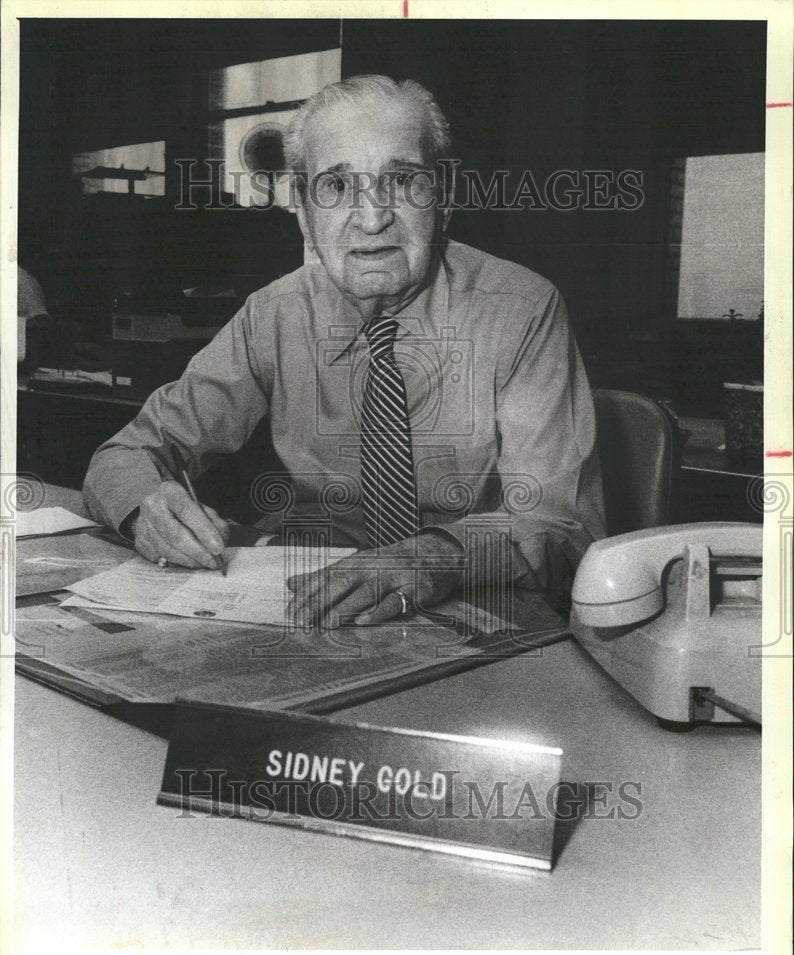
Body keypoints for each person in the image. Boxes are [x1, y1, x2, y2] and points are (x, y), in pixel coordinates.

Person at [83, 74, 605, 628]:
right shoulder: (275, 313)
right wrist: (148, 509)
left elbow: (560, 522)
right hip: (305, 608)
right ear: (305, 213)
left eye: (402, 181)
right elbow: (123, 456)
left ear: (444, 200)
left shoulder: (521, 310)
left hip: (471, 610)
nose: (373, 216)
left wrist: (429, 557)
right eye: (336, 187)